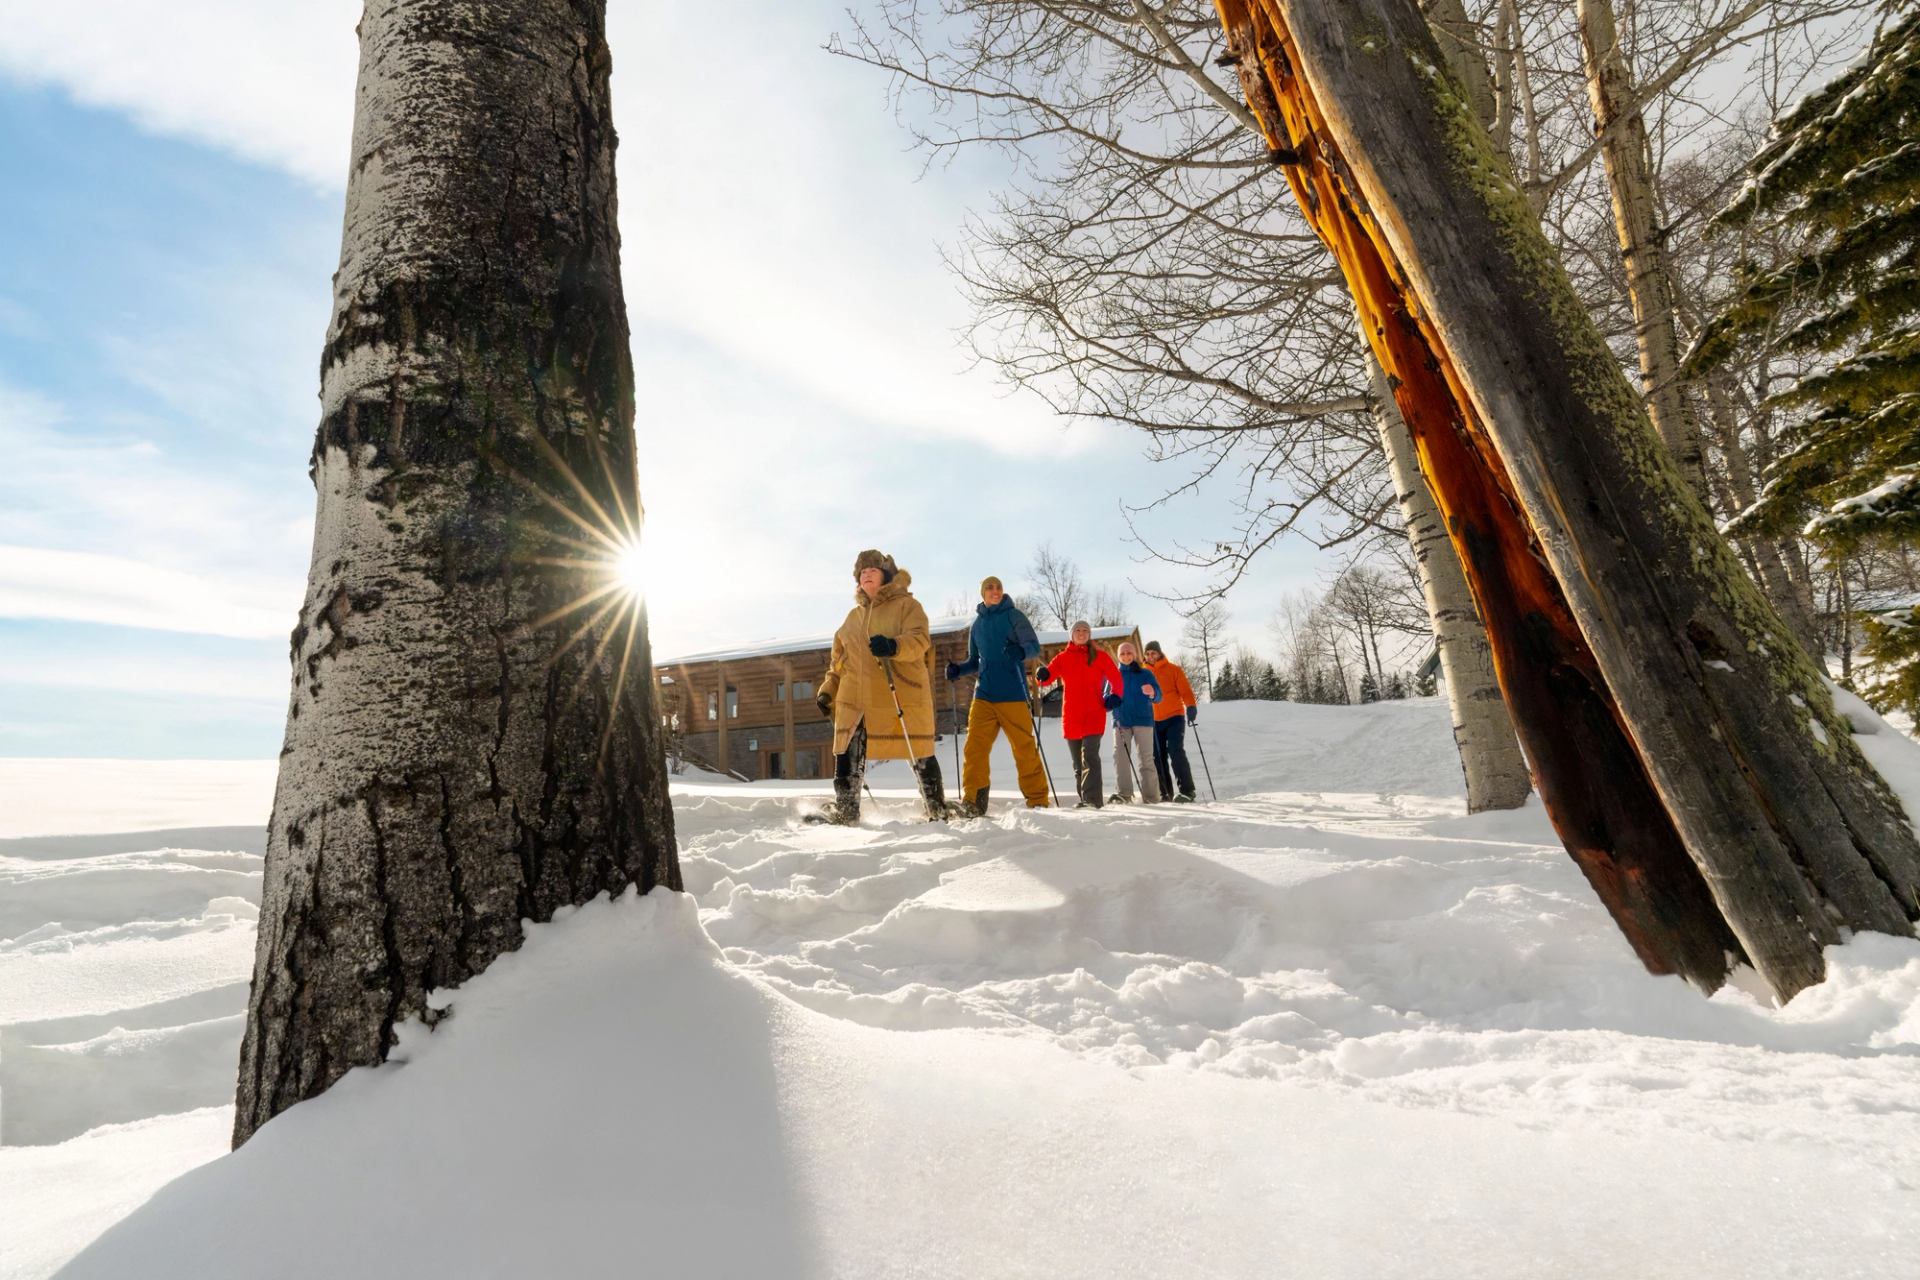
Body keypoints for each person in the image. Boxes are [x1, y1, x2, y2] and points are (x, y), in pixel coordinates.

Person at [814, 549, 947, 823]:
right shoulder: (852, 618)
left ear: (886, 574)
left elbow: (920, 639)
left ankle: (937, 809)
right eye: (862, 572)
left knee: (919, 751)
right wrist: (828, 690)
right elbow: (839, 661)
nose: (866, 575)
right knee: (848, 750)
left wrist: (894, 645)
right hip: (857, 698)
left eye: (872, 569)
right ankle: (847, 810)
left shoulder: (907, 606)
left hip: (900, 692)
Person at [945, 576, 1050, 814]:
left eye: (999, 587)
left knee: (1024, 749)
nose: (995, 591)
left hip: (1013, 693)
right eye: (990, 588)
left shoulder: (1015, 616)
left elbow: (1034, 647)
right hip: (984, 694)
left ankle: (1038, 801)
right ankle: (973, 801)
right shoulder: (977, 625)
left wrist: (1019, 651)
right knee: (974, 748)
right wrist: (958, 669)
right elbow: (975, 661)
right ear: (982, 593)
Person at [1035, 620, 1122, 809]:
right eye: (1078, 630)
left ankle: (1092, 801)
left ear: (1089, 634)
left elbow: (1116, 677)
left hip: (1094, 714)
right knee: (1078, 765)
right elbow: (1046, 679)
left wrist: (1116, 695)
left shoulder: (1099, 656)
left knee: (1090, 757)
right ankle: (1085, 800)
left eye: (1085, 630)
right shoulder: (1063, 658)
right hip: (1072, 717)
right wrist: (1040, 674)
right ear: (1072, 635)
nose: (1082, 633)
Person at [1106, 640, 1162, 804]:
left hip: (1143, 721)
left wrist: (1153, 693)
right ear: (1118, 656)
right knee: (1120, 757)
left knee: (1146, 758)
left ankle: (1151, 797)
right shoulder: (1113, 674)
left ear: (1135, 654)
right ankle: (1124, 794)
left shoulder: (1145, 674)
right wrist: (1110, 700)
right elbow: (1104, 699)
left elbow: (1159, 696)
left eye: (1129, 652)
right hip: (1121, 721)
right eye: (1122, 653)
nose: (1126, 656)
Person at [1143, 641, 1199, 803]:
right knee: (1157, 757)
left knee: (1175, 751)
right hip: (1153, 720)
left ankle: (1187, 790)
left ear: (1160, 653)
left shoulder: (1174, 670)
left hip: (1174, 716)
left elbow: (1186, 690)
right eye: (1147, 653)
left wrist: (1191, 707)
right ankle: (1164, 792)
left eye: (1153, 653)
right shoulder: (1143, 672)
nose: (1150, 656)